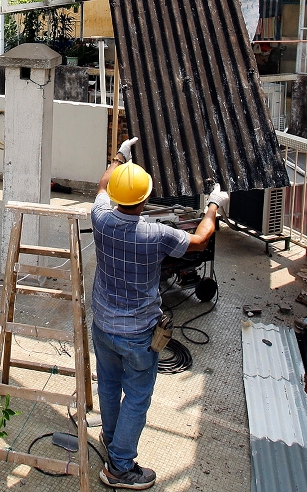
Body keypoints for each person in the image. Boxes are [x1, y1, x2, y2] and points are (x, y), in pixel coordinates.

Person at [90, 136, 227, 489]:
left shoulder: (100, 218)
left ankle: (111, 438)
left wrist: (120, 156)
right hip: (138, 334)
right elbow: (200, 240)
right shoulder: (156, 234)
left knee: (109, 385)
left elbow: (103, 185)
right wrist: (214, 205)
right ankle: (119, 467)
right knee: (137, 396)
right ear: (145, 199)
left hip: (103, 325)